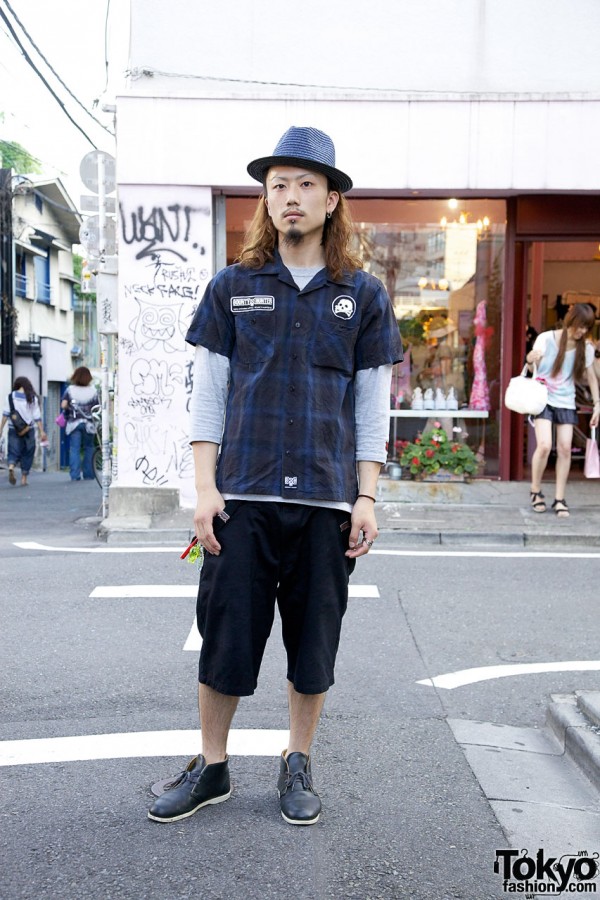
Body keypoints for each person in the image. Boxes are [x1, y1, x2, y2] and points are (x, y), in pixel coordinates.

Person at [147, 126, 403, 826]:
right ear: (267, 199)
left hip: (325, 501)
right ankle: (214, 766)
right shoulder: (232, 287)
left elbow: (371, 403)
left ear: (331, 199)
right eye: (279, 185)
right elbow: (208, 396)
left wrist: (368, 495)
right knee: (225, 635)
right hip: (243, 500)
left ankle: (298, 761)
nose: (290, 197)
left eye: (305, 185)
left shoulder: (363, 296)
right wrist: (205, 491)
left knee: (313, 641)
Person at [527, 303, 600, 517]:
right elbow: (533, 369)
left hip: (566, 401)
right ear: (570, 320)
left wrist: (597, 405)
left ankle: (559, 498)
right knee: (544, 445)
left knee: (565, 448)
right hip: (542, 398)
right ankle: (535, 490)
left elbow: (592, 378)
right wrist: (529, 360)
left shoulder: (584, 348)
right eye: (580, 326)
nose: (582, 331)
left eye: (587, 327)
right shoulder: (546, 339)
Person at [0, 376, 47, 486]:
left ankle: (11, 466)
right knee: (28, 452)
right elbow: (37, 417)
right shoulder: (32, 398)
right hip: (28, 429)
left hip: (13, 428)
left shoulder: (10, 397)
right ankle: (24, 478)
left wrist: (1, 428)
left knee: (13, 450)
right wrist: (42, 431)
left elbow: (6, 414)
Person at [61, 366, 99, 481]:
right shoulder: (93, 391)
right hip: (89, 424)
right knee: (89, 448)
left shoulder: (70, 390)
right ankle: (89, 474)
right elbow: (97, 408)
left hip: (74, 423)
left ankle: (75, 475)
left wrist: (70, 408)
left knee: (75, 448)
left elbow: (63, 405)